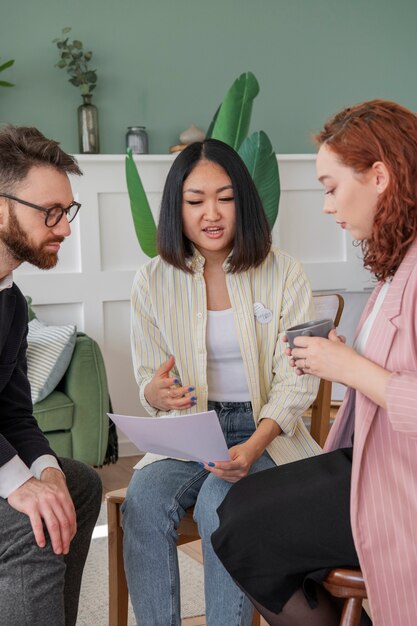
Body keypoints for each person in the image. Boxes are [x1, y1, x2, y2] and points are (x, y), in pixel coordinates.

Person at [211, 99, 417, 626]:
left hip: (401, 484)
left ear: (379, 176)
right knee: (238, 513)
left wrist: (348, 368)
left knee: (246, 527)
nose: (327, 206)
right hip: (375, 462)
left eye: (330, 187)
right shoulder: (399, 263)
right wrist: (345, 357)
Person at [122, 138, 322, 625]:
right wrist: (155, 392)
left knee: (220, 505)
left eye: (226, 198)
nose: (211, 213)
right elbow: (150, 378)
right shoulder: (152, 280)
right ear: (177, 208)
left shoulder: (284, 272)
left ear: (244, 203)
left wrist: (253, 445)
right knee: (143, 499)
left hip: (267, 432)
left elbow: (297, 382)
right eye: (195, 201)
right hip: (193, 432)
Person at [0, 125, 102, 626]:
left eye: (68, 212)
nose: (64, 228)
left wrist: (47, 472)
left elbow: (14, 412)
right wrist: (18, 483)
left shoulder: (11, 303)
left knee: (77, 485)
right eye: (51, 213)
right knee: (30, 523)